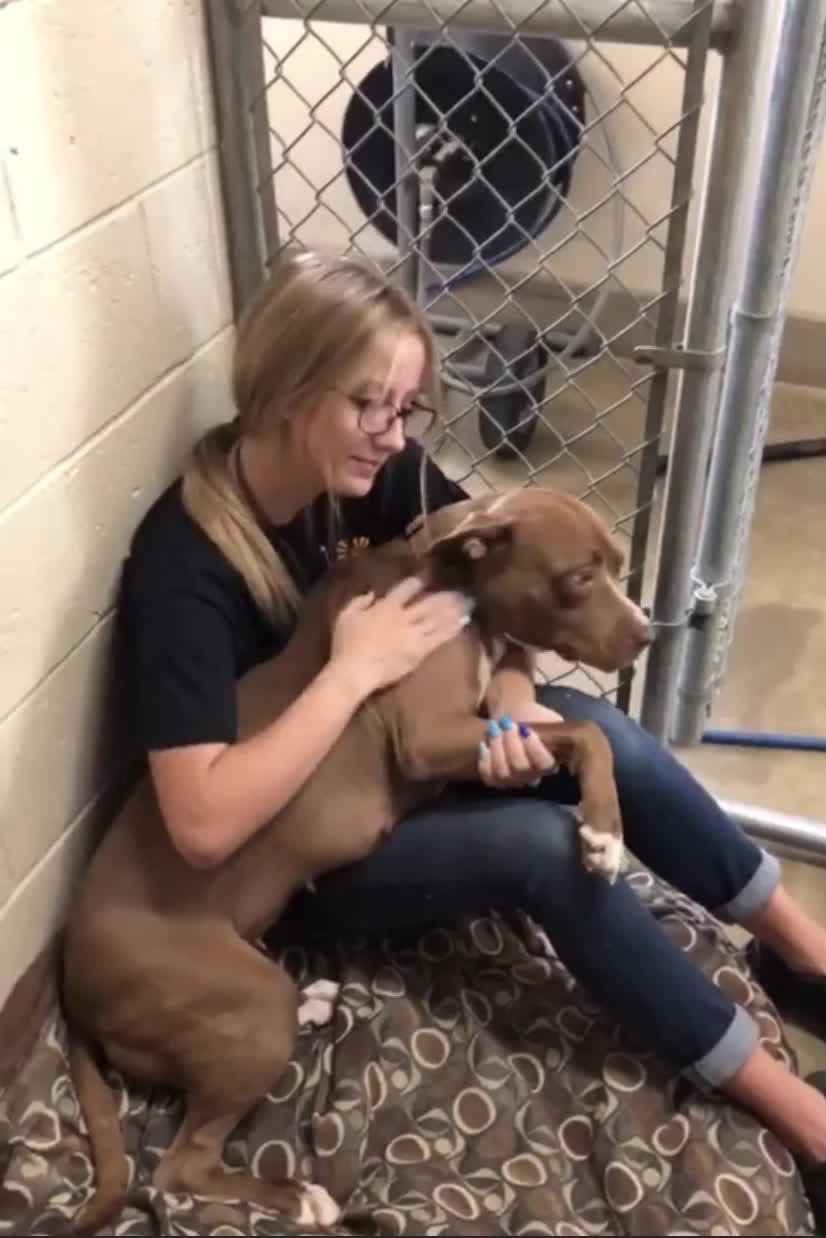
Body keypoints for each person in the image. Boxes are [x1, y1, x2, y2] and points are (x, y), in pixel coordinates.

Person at [119, 249, 826, 1223]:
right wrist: (351, 671)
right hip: (307, 857)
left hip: (408, 758)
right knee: (546, 848)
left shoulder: (380, 471)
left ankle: (803, 953)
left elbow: (497, 576)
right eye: (369, 403)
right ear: (285, 388)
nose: (393, 433)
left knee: (601, 733)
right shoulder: (184, 568)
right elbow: (201, 826)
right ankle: (802, 1117)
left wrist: (510, 699)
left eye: (407, 407)